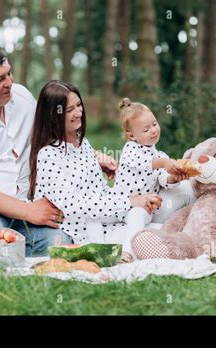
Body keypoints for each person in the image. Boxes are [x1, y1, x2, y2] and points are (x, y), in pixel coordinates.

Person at [0, 47, 117, 258]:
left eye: (9, 73)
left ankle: (8, 243)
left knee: (62, 243)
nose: (9, 82)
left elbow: (51, 132)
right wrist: (29, 212)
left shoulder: (21, 97)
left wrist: (92, 157)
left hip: (27, 203)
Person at [27, 80, 164, 260]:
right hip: (81, 234)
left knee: (160, 230)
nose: (78, 113)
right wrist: (130, 201)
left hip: (105, 222)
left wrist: (129, 192)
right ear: (53, 115)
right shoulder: (48, 156)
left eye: (78, 105)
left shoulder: (83, 144)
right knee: (148, 242)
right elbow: (74, 205)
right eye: (69, 110)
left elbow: (99, 192)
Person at [110, 98, 195, 259]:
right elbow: (144, 163)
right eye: (146, 129)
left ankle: (182, 234)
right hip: (122, 203)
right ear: (132, 136)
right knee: (133, 216)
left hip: (145, 207)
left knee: (138, 215)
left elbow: (163, 180)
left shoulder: (160, 155)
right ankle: (128, 250)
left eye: (154, 124)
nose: (154, 130)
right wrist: (164, 163)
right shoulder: (131, 150)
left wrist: (174, 177)